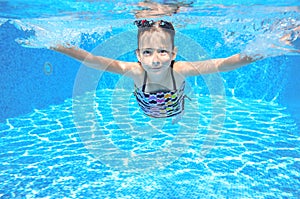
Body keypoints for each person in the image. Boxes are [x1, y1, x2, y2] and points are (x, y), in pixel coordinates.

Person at [51, 19, 298, 123]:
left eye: (162, 52)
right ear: (137, 55)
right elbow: (94, 60)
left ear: (173, 53)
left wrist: (260, 51)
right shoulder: (136, 72)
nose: (155, 60)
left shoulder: (179, 70)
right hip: (148, 114)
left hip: (178, 109)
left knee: (183, 108)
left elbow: (222, 64)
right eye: (147, 52)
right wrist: (62, 47)